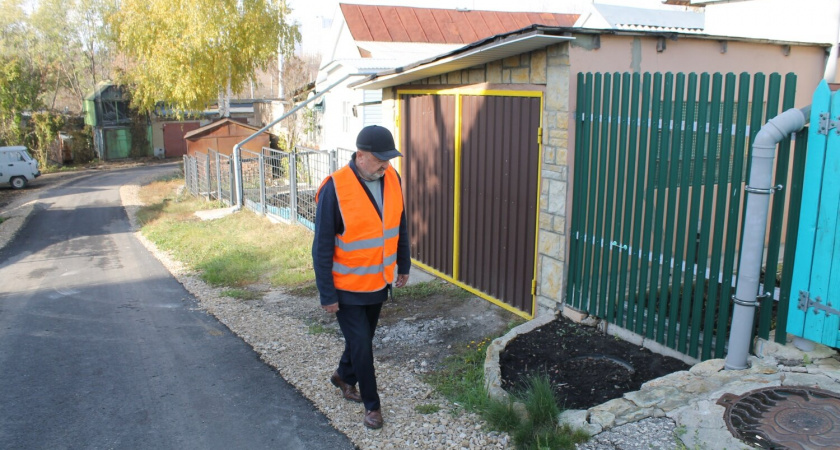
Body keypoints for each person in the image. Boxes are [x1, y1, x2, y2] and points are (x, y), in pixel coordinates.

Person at [312, 125, 411, 430]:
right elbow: (322, 247)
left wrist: (404, 265)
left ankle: (343, 375)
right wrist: (327, 294)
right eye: (380, 159)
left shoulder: (391, 177)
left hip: (378, 282)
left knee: (361, 340)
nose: (386, 164)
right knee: (363, 346)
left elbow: (400, 225)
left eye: (389, 158)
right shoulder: (335, 188)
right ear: (361, 156)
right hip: (347, 288)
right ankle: (372, 406)